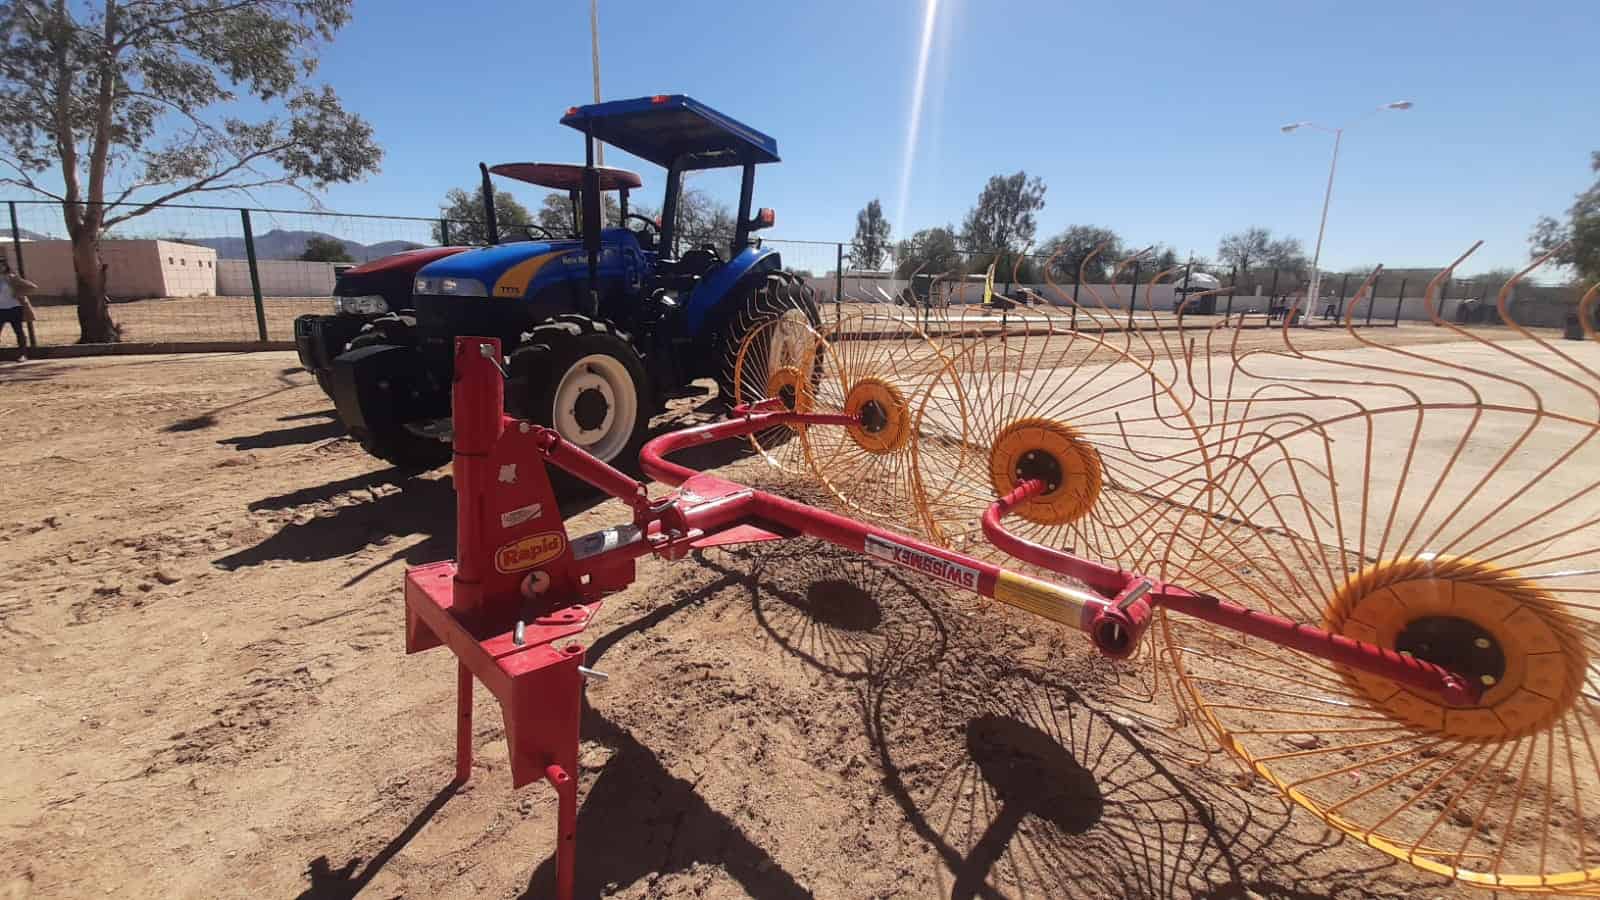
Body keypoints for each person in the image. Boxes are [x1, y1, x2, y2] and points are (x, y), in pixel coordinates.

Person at [0, 256, 37, 359]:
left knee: (18, 331)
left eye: (2, 265)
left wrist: (18, 293)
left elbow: (32, 287)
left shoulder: (12, 277)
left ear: (5, 266)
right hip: (0, 309)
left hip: (14, 308)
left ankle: (23, 354)